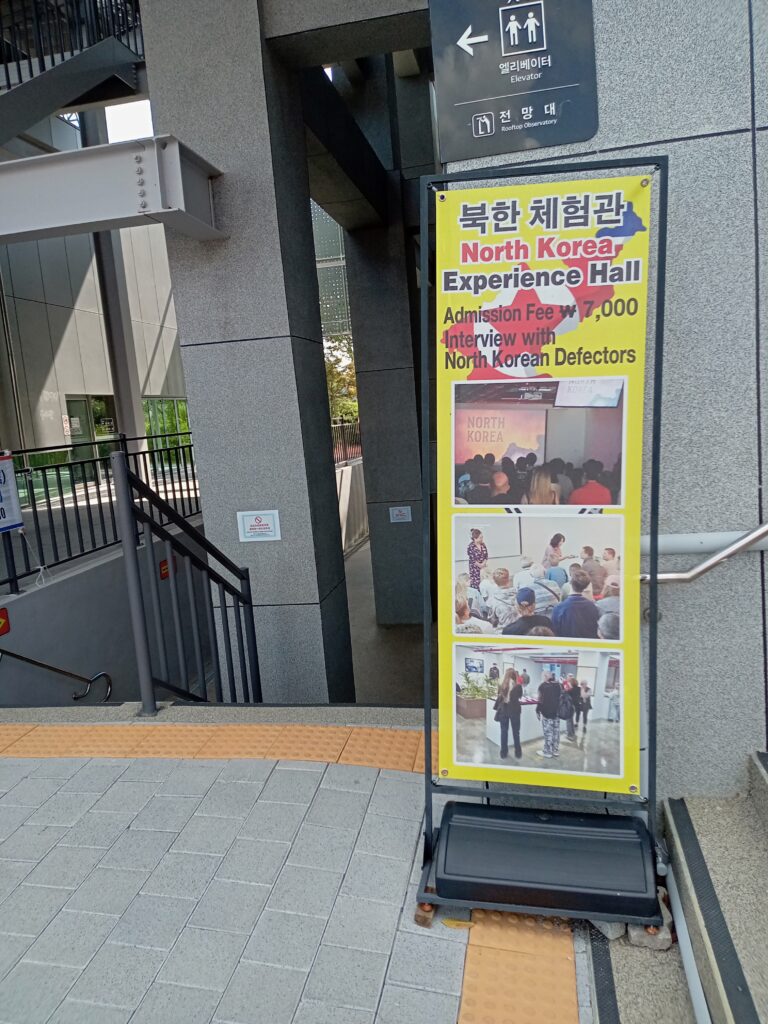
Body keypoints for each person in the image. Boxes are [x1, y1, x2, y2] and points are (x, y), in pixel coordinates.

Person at [551, 569, 600, 638]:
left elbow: (555, 632)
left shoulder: (559, 608)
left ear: (570, 583)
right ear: (585, 586)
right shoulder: (593, 607)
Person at [493, 669, 524, 759]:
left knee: (503, 732)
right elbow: (520, 696)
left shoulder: (502, 685)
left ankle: (503, 753)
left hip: (504, 709)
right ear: (515, 675)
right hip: (514, 710)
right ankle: (518, 753)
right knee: (516, 732)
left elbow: (499, 695)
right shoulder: (518, 686)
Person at [536, 672, 561, 759]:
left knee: (548, 733)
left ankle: (547, 752)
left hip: (547, 713)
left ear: (546, 677)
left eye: (543, 676)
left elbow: (540, 699)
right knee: (556, 732)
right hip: (557, 713)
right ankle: (555, 750)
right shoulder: (558, 685)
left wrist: (538, 710)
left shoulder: (542, 686)